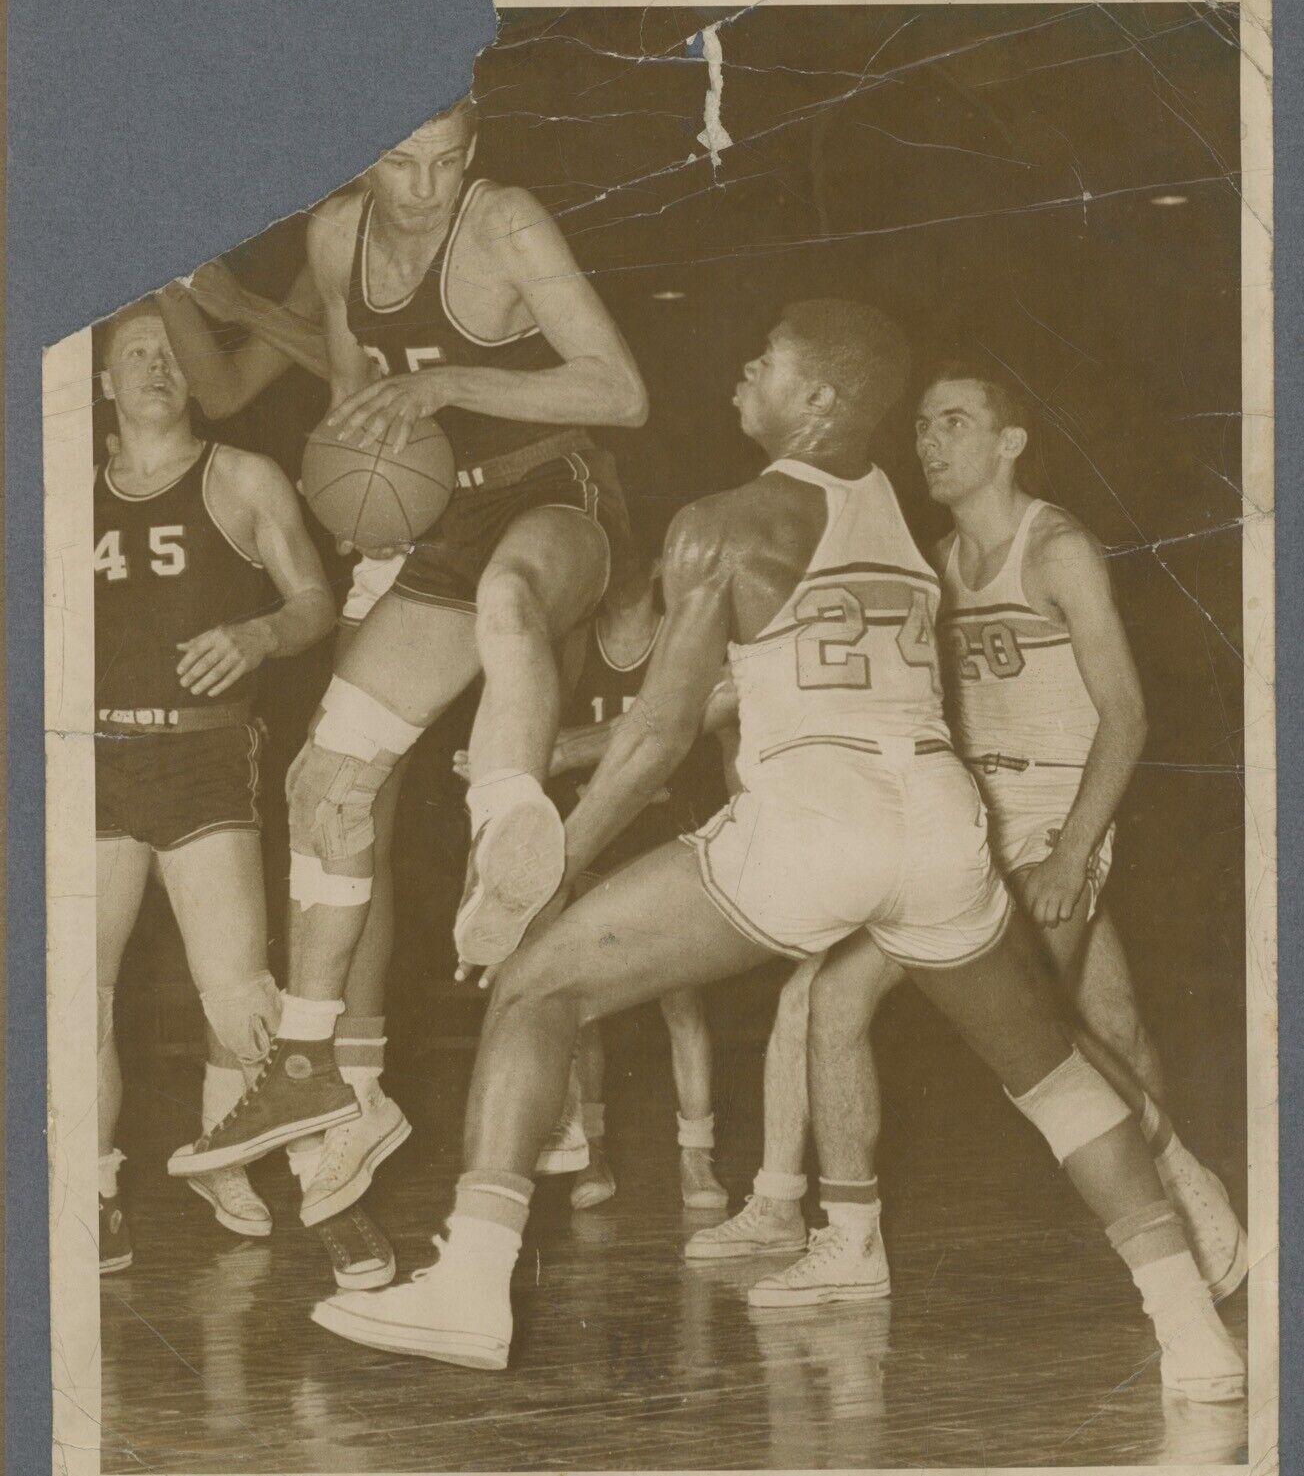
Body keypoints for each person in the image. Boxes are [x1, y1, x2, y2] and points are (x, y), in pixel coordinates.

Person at [308, 300, 1243, 1404]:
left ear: (820, 401)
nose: (739, 373)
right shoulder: (894, 508)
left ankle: (470, 1282)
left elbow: (660, 735)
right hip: (940, 817)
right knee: (1049, 1073)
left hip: (815, 816)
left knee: (535, 988)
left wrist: (546, 865)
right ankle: (1192, 1333)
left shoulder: (722, 522)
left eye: (764, 362)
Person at [166, 97, 649, 1210]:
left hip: (551, 487)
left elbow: (619, 390)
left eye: (447, 161)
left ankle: (504, 831)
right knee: (323, 776)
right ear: (359, 160)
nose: (426, 189)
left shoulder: (506, 221)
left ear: (473, 151)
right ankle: (309, 1067)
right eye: (402, 164)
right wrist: (360, 507)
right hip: (435, 522)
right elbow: (346, 396)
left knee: (512, 599)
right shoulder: (335, 238)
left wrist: (447, 383)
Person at [690, 363, 1249, 1309]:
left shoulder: (1058, 548)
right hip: (964, 825)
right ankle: (1191, 1205)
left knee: (860, 1003)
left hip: (1057, 819)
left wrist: (1073, 852)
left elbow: (1128, 718)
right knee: (1101, 1025)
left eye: (955, 423)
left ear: (1010, 442)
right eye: (920, 427)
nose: (930, 443)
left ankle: (857, 1237)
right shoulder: (931, 565)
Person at [94, 301, 388, 1288]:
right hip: (87, 761)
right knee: (78, 998)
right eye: (132, 352)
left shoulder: (239, 478)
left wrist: (259, 636)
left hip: (201, 757)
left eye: (171, 349)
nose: (156, 363)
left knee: (243, 1000)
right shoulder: (60, 492)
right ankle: (96, 1193)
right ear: (100, 382)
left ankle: (272, 1167)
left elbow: (314, 601)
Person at [158, 256, 414, 1230]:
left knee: (363, 802)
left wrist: (241, 303)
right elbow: (221, 388)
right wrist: (165, 280)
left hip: (480, 524)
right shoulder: (327, 248)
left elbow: (380, 384)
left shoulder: (420, 232)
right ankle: (355, 1085)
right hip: (390, 553)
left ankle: (542, 1102)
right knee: (353, 815)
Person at [530, 554, 731, 1209]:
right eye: (602, 561)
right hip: (594, 839)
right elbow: (540, 733)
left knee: (683, 1002)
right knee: (584, 1006)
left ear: (652, 568)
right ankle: (594, 1154)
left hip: (663, 837)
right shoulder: (573, 643)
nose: (609, 575)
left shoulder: (683, 637)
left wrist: (586, 747)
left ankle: (696, 1160)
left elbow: (694, 725)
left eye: (624, 560)